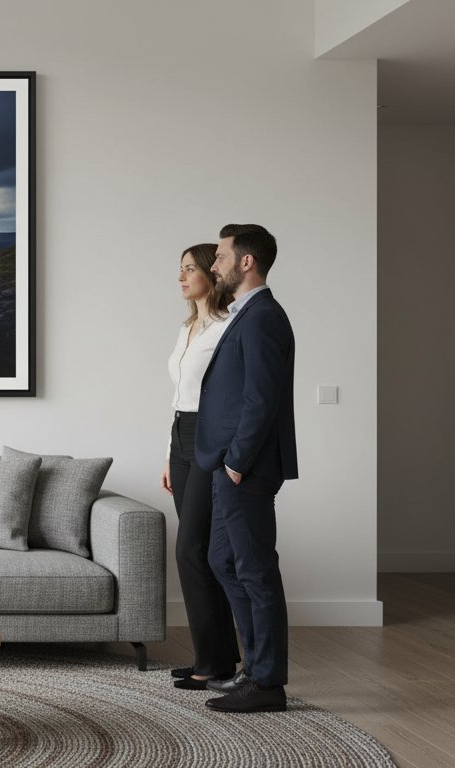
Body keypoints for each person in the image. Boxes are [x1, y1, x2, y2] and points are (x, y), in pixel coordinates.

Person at [195, 223, 298, 713]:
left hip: (245, 468)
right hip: (228, 465)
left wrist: (236, 461)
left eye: (220, 256)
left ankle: (267, 683)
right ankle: (253, 669)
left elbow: (261, 398)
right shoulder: (247, 315)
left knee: (256, 571)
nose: (214, 265)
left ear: (246, 262)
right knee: (224, 561)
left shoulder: (262, 318)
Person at [161, 243, 241, 691]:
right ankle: (220, 654)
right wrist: (168, 453)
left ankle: (212, 662)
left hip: (212, 441)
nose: (181, 277)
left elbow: (228, 398)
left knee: (192, 551)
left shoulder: (229, 328)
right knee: (203, 554)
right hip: (181, 437)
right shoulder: (189, 327)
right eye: (180, 270)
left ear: (212, 274)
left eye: (190, 269)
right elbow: (179, 398)